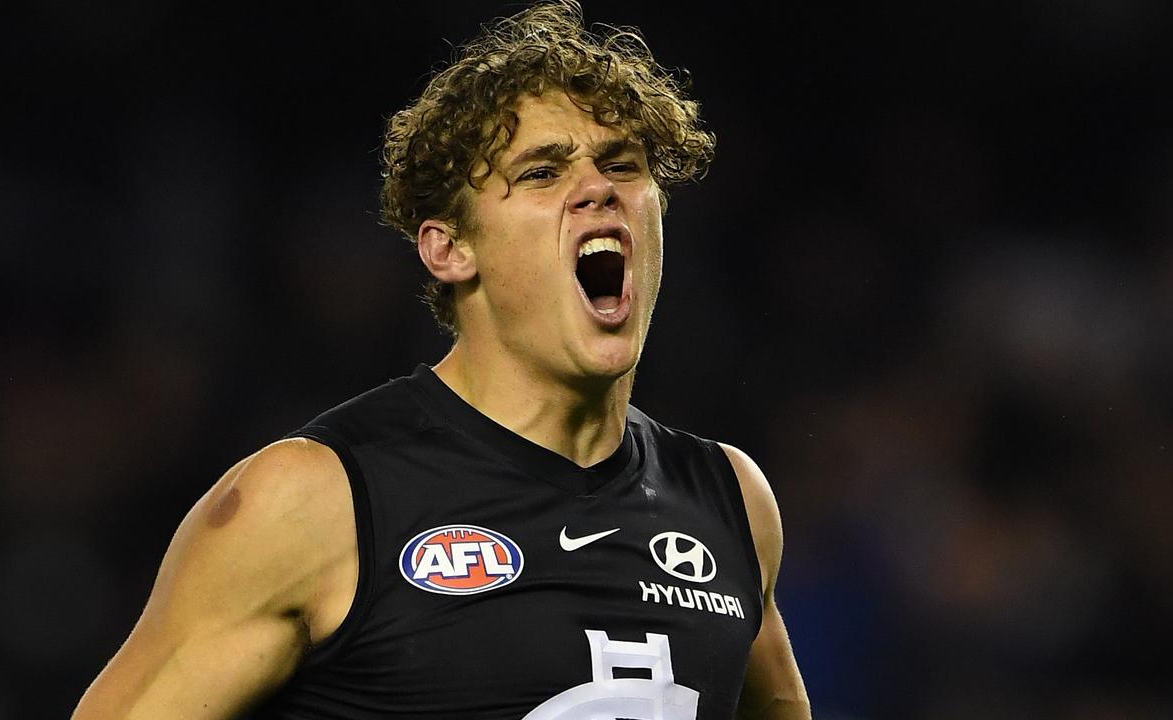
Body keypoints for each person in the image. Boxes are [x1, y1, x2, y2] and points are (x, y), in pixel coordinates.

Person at [73, 1, 810, 718]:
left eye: (621, 165)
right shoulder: (315, 502)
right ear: (449, 249)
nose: (597, 190)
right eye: (542, 173)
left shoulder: (731, 503)